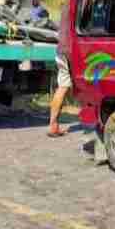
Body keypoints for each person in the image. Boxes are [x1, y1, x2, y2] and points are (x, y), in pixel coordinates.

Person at [48, 7, 73, 138]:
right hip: (69, 51)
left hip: (60, 49)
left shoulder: (66, 5)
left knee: (62, 87)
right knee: (63, 88)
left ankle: (53, 125)